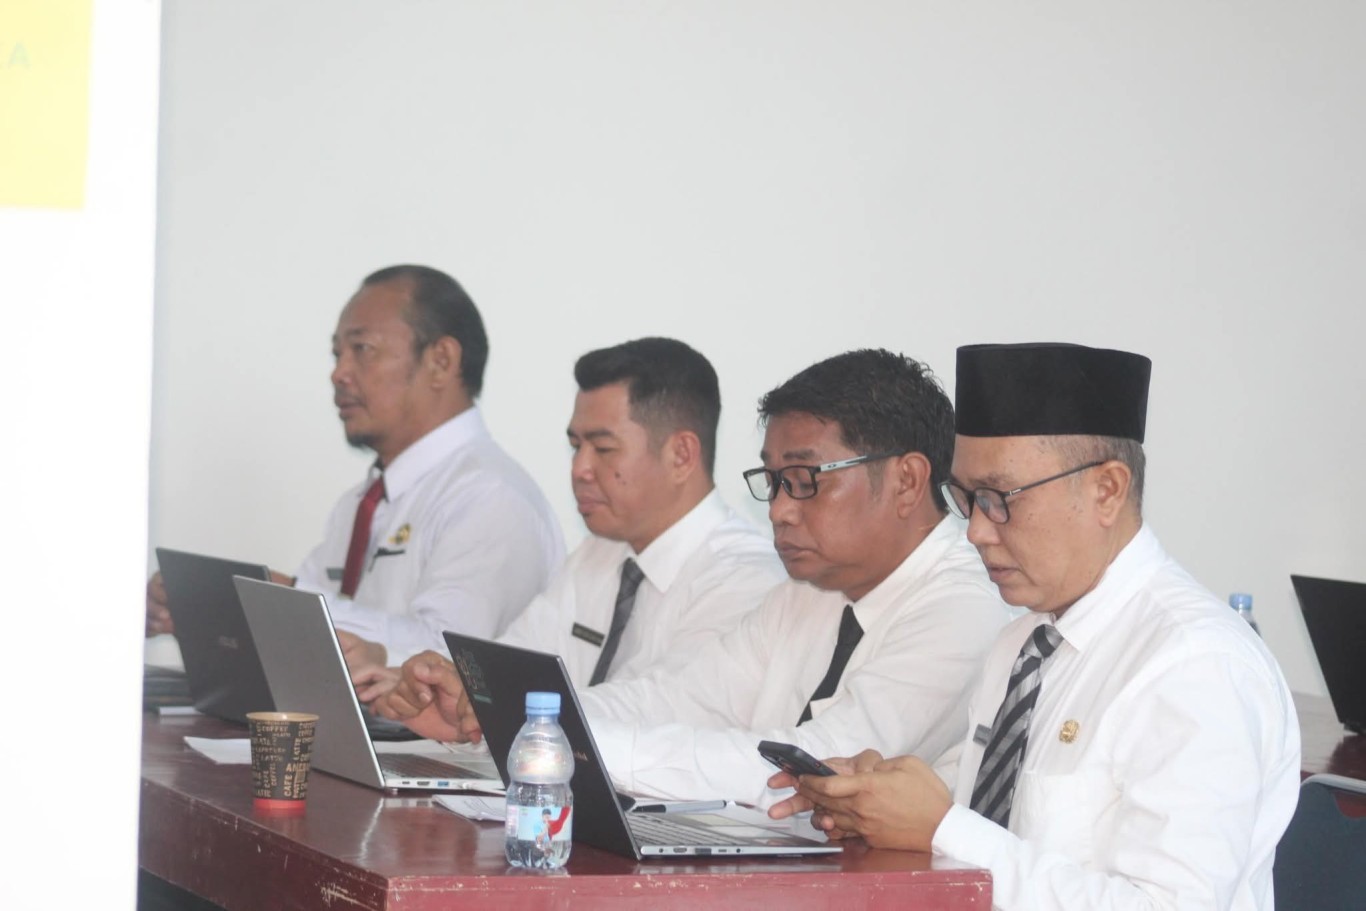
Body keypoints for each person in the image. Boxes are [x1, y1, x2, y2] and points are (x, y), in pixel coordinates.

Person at [771, 343, 1300, 911]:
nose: (976, 531)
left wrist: (942, 828)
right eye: (965, 499)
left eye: (999, 499)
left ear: (1106, 490)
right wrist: (878, 801)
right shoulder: (1022, 644)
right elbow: (998, 825)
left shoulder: (1195, 665)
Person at [393, 349, 1009, 808]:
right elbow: (674, 698)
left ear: (906, 480)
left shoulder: (962, 609)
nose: (779, 510)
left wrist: (552, 738)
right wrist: (507, 718)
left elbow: (816, 768)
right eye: (772, 482)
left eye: (803, 481)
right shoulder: (805, 596)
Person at [146, 265, 565, 669]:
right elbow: (304, 640)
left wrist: (290, 599)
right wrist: (206, 613)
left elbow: (447, 659)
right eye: (337, 354)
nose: (339, 373)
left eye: (362, 350)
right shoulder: (363, 503)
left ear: (441, 360)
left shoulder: (491, 497)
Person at [367, 337, 786, 716]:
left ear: (681, 455)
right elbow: (510, 664)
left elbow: (662, 708)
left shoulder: (745, 578)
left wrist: (498, 697)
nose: (580, 468)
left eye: (603, 448)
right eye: (575, 446)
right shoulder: (598, 553)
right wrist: (444, 688)